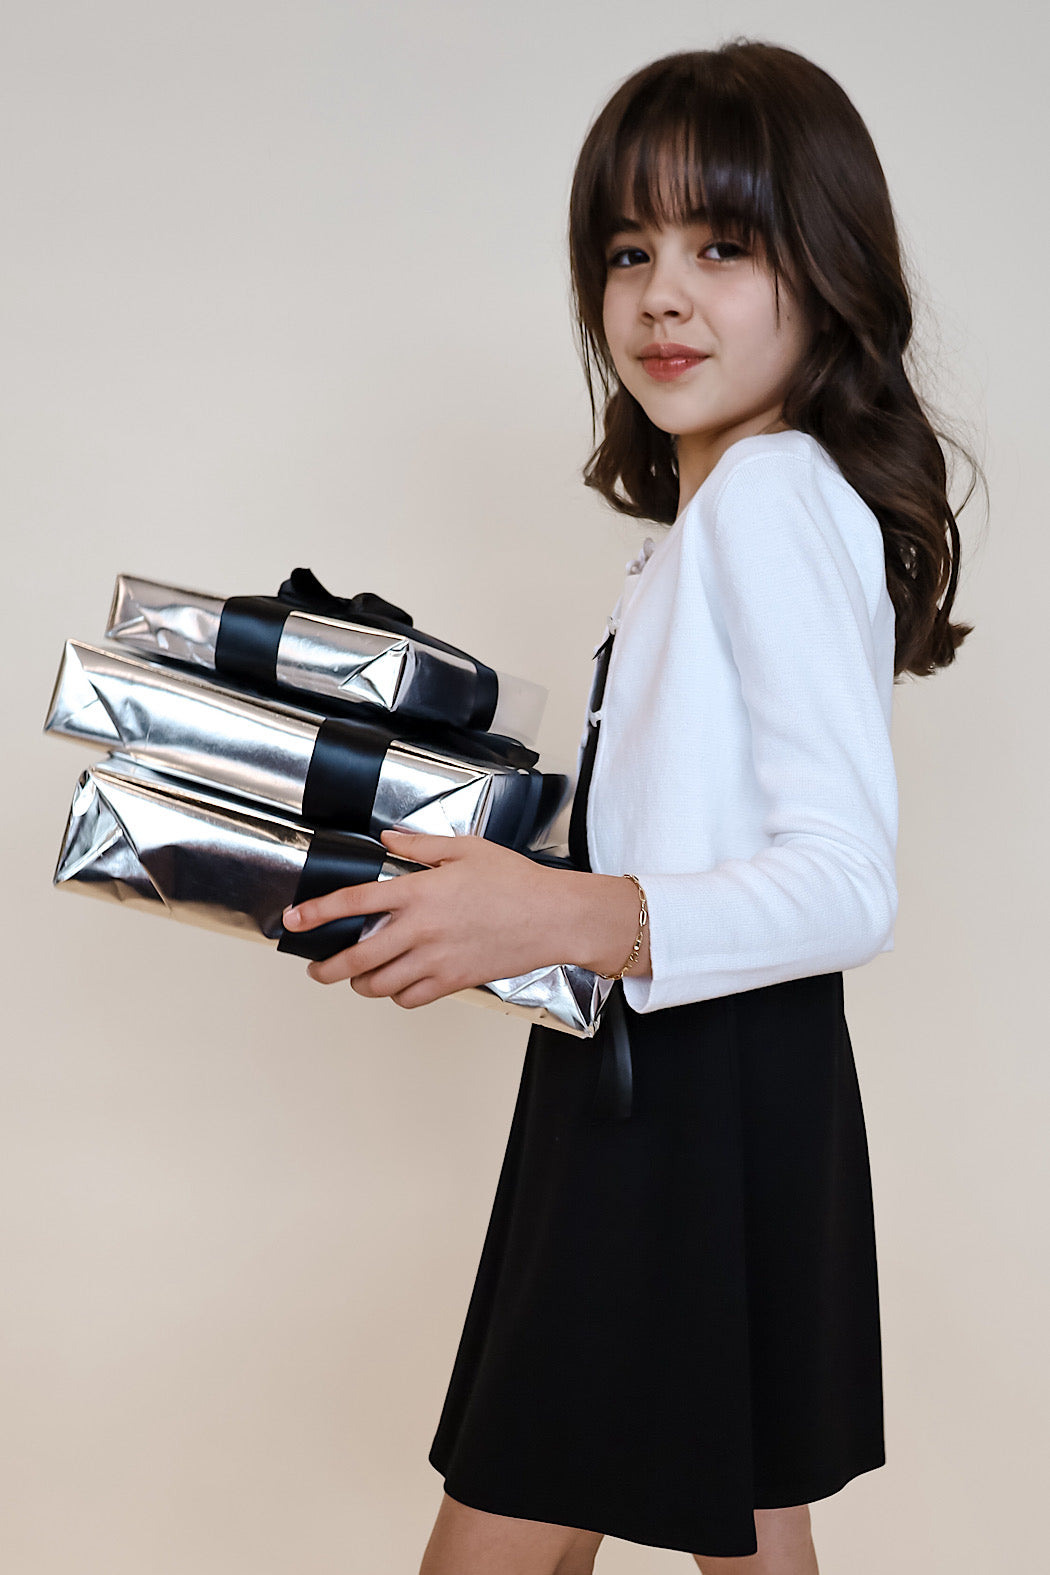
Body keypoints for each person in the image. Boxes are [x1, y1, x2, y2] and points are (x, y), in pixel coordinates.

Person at [280, 39, 977, 1574]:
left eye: (721, 246)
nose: (662, 294)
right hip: (677, 1073)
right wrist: (486, 900)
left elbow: (846, 883)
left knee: (521, 1520)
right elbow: (682, 835)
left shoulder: (772, 497)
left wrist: (556, 912)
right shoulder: (718, 513)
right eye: (626, 252)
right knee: (741, 1519)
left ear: (827, 270)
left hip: (679, 1094)